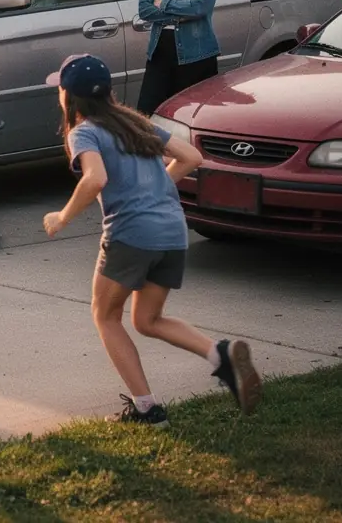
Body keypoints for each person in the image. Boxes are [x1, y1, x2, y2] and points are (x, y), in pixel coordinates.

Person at [42, 53, 262, 426]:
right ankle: (219, 356)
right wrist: (156, 187)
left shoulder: (85, 132)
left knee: (106, 316)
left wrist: (61, 217)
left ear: (69, 97)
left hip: (132, 234)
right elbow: (191, 156)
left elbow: (94, 179)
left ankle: (147, 409)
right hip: (172, 231)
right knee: (147, 319)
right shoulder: (135, 123)